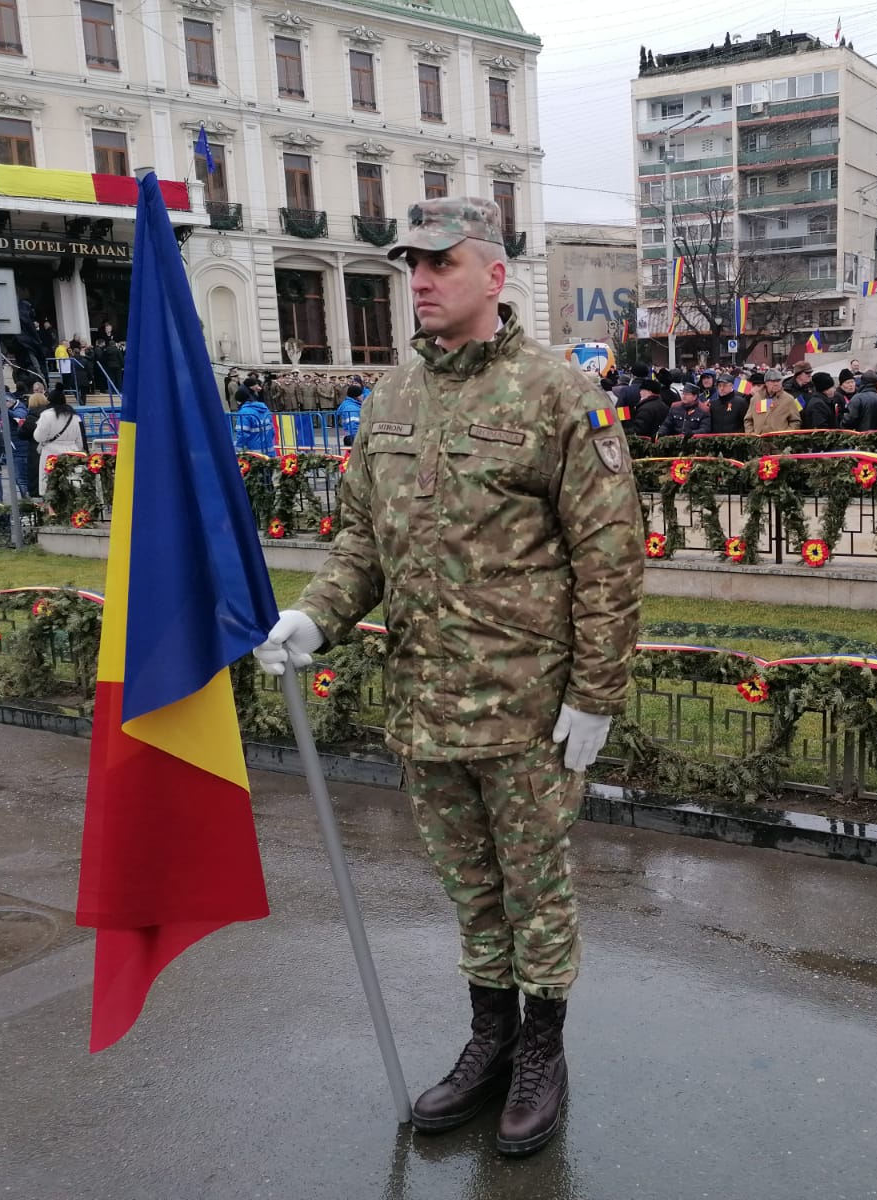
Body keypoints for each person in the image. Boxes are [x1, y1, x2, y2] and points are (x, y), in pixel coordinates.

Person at [254, 196, 643, 1157]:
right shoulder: (391, 401)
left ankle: (542, 1050)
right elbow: (361, 542)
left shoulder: (561, 395)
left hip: (526, 710)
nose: (420, 282)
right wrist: (318, 614)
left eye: (441, 264)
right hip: (425, 705)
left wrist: (596, 693)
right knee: (469, 891)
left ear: (494, 277)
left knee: (534, 887)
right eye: (411, 267)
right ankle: (490, 1036)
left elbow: (611, 558)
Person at [34, 386, 87, 464]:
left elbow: (39, 437)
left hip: (51, 453)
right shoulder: (74, 416)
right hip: (72, 452)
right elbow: (79, 441)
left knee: (49, 475)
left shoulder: (46, 415)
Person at [744, 368, 803, 433]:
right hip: (759, 441)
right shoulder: (756, 399)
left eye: (778, 381)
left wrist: (786, 435)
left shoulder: (788, 399)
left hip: (779, 441)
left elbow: (795, 421)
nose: (776, 384)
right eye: (772, 381)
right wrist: (751, 434)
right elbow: (748, 420)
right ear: (766, 383)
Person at [233, 381, 275, 454]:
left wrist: (239, 449)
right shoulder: (264, 408)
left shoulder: (244, 412)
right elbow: (272, 430)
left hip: (255, 453)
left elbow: (242, 433)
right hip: (269, 450)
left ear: (238, 401)